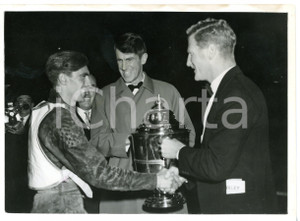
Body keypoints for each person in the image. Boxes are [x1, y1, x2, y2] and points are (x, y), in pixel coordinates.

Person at [27, 50, 185, 213]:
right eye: (82, 76)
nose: (88, 83)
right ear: (63, 79)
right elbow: (99, 172)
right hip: (61, 204)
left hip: (50, 202)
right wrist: (155, 180)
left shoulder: (42, 109)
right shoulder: (61, 119)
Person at [160, 18, 278, 214]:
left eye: (191, 54)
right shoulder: (229, 91)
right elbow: (226, 158)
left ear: (211, 51)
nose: (188, 62)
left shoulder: (235, 96)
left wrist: (179, 151)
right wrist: (186, 175)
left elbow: (217, 165)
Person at [96, 33, 196, 214]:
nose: (124, 68)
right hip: (121, 188)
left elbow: (189, 134)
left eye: (129, 60)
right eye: (119, 61)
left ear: (144, 58)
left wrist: (176, 169)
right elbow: (96, 142)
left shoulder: (168, 91)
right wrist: (131, 141)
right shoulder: (103, 95)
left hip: (165, 183)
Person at [5, 95, 35, 212]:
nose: (23, 104)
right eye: (20, 101)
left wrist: (24, 133)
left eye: (26, 101)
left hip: (29, 171)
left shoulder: (36, 120)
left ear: (32, 105)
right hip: (11, 171)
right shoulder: (7, 119)